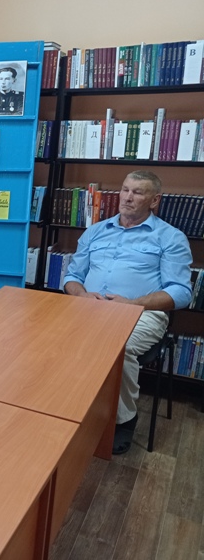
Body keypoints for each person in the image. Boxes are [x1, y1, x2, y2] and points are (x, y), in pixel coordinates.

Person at [63, 171, 192, 455]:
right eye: (125, 190)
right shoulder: (95, 231)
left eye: (138, 192)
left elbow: (181, 293)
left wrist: (132, 304)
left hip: (141, 312)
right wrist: (82, 295)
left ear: (154, 200)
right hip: (87, 307)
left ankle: (123, 419)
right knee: (45, 335)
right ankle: (64, 406)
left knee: (115, 347)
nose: (127, 198)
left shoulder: (171, 238)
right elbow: (72, 277)